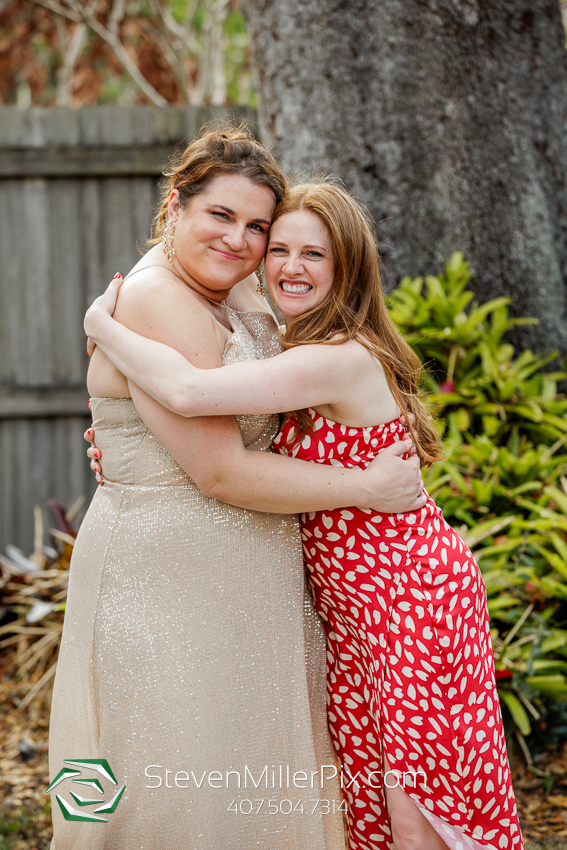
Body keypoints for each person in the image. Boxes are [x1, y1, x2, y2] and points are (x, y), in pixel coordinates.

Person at [84, 178, 524, 850]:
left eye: (313, 254)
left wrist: (101, 327)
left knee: (417, 814)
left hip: (409, 598)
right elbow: (219, 298)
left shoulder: (335, 359)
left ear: (347, 267)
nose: (290, 266)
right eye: (279, 248)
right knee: (368, 807)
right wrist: (127, 443)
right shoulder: (288, 338)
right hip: (353, 609)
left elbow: (189, 391)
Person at [49, 129, 426, 850]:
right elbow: (219, 471)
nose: (239, 240)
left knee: (246, 782)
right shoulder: (157, 297)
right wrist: (365, 485)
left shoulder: (237, 286)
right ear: (175, 206)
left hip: (247, 575)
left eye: (257, 226)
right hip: (170, 577)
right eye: (220, 215)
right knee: (183, 780)